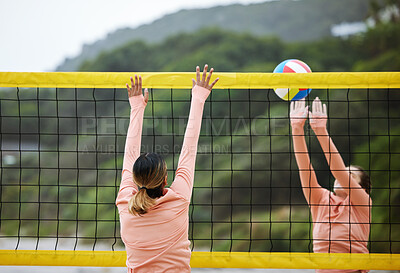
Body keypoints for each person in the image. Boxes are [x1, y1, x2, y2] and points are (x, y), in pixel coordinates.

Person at [116, 65, 219, 272]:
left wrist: (137, 107)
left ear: (135, 180)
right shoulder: (177, 199)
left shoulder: (126, 204)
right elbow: (189, 149)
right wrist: (199, 97)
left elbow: (129, 156)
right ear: (165, 180)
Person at [290, 97, 372, 273]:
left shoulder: (362, 203)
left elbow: (338, 172)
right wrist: (296, 129)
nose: (343, 177)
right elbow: (305, 167)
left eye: (351, 175)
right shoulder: (320, 199)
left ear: (361, 188)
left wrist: (320, 130)